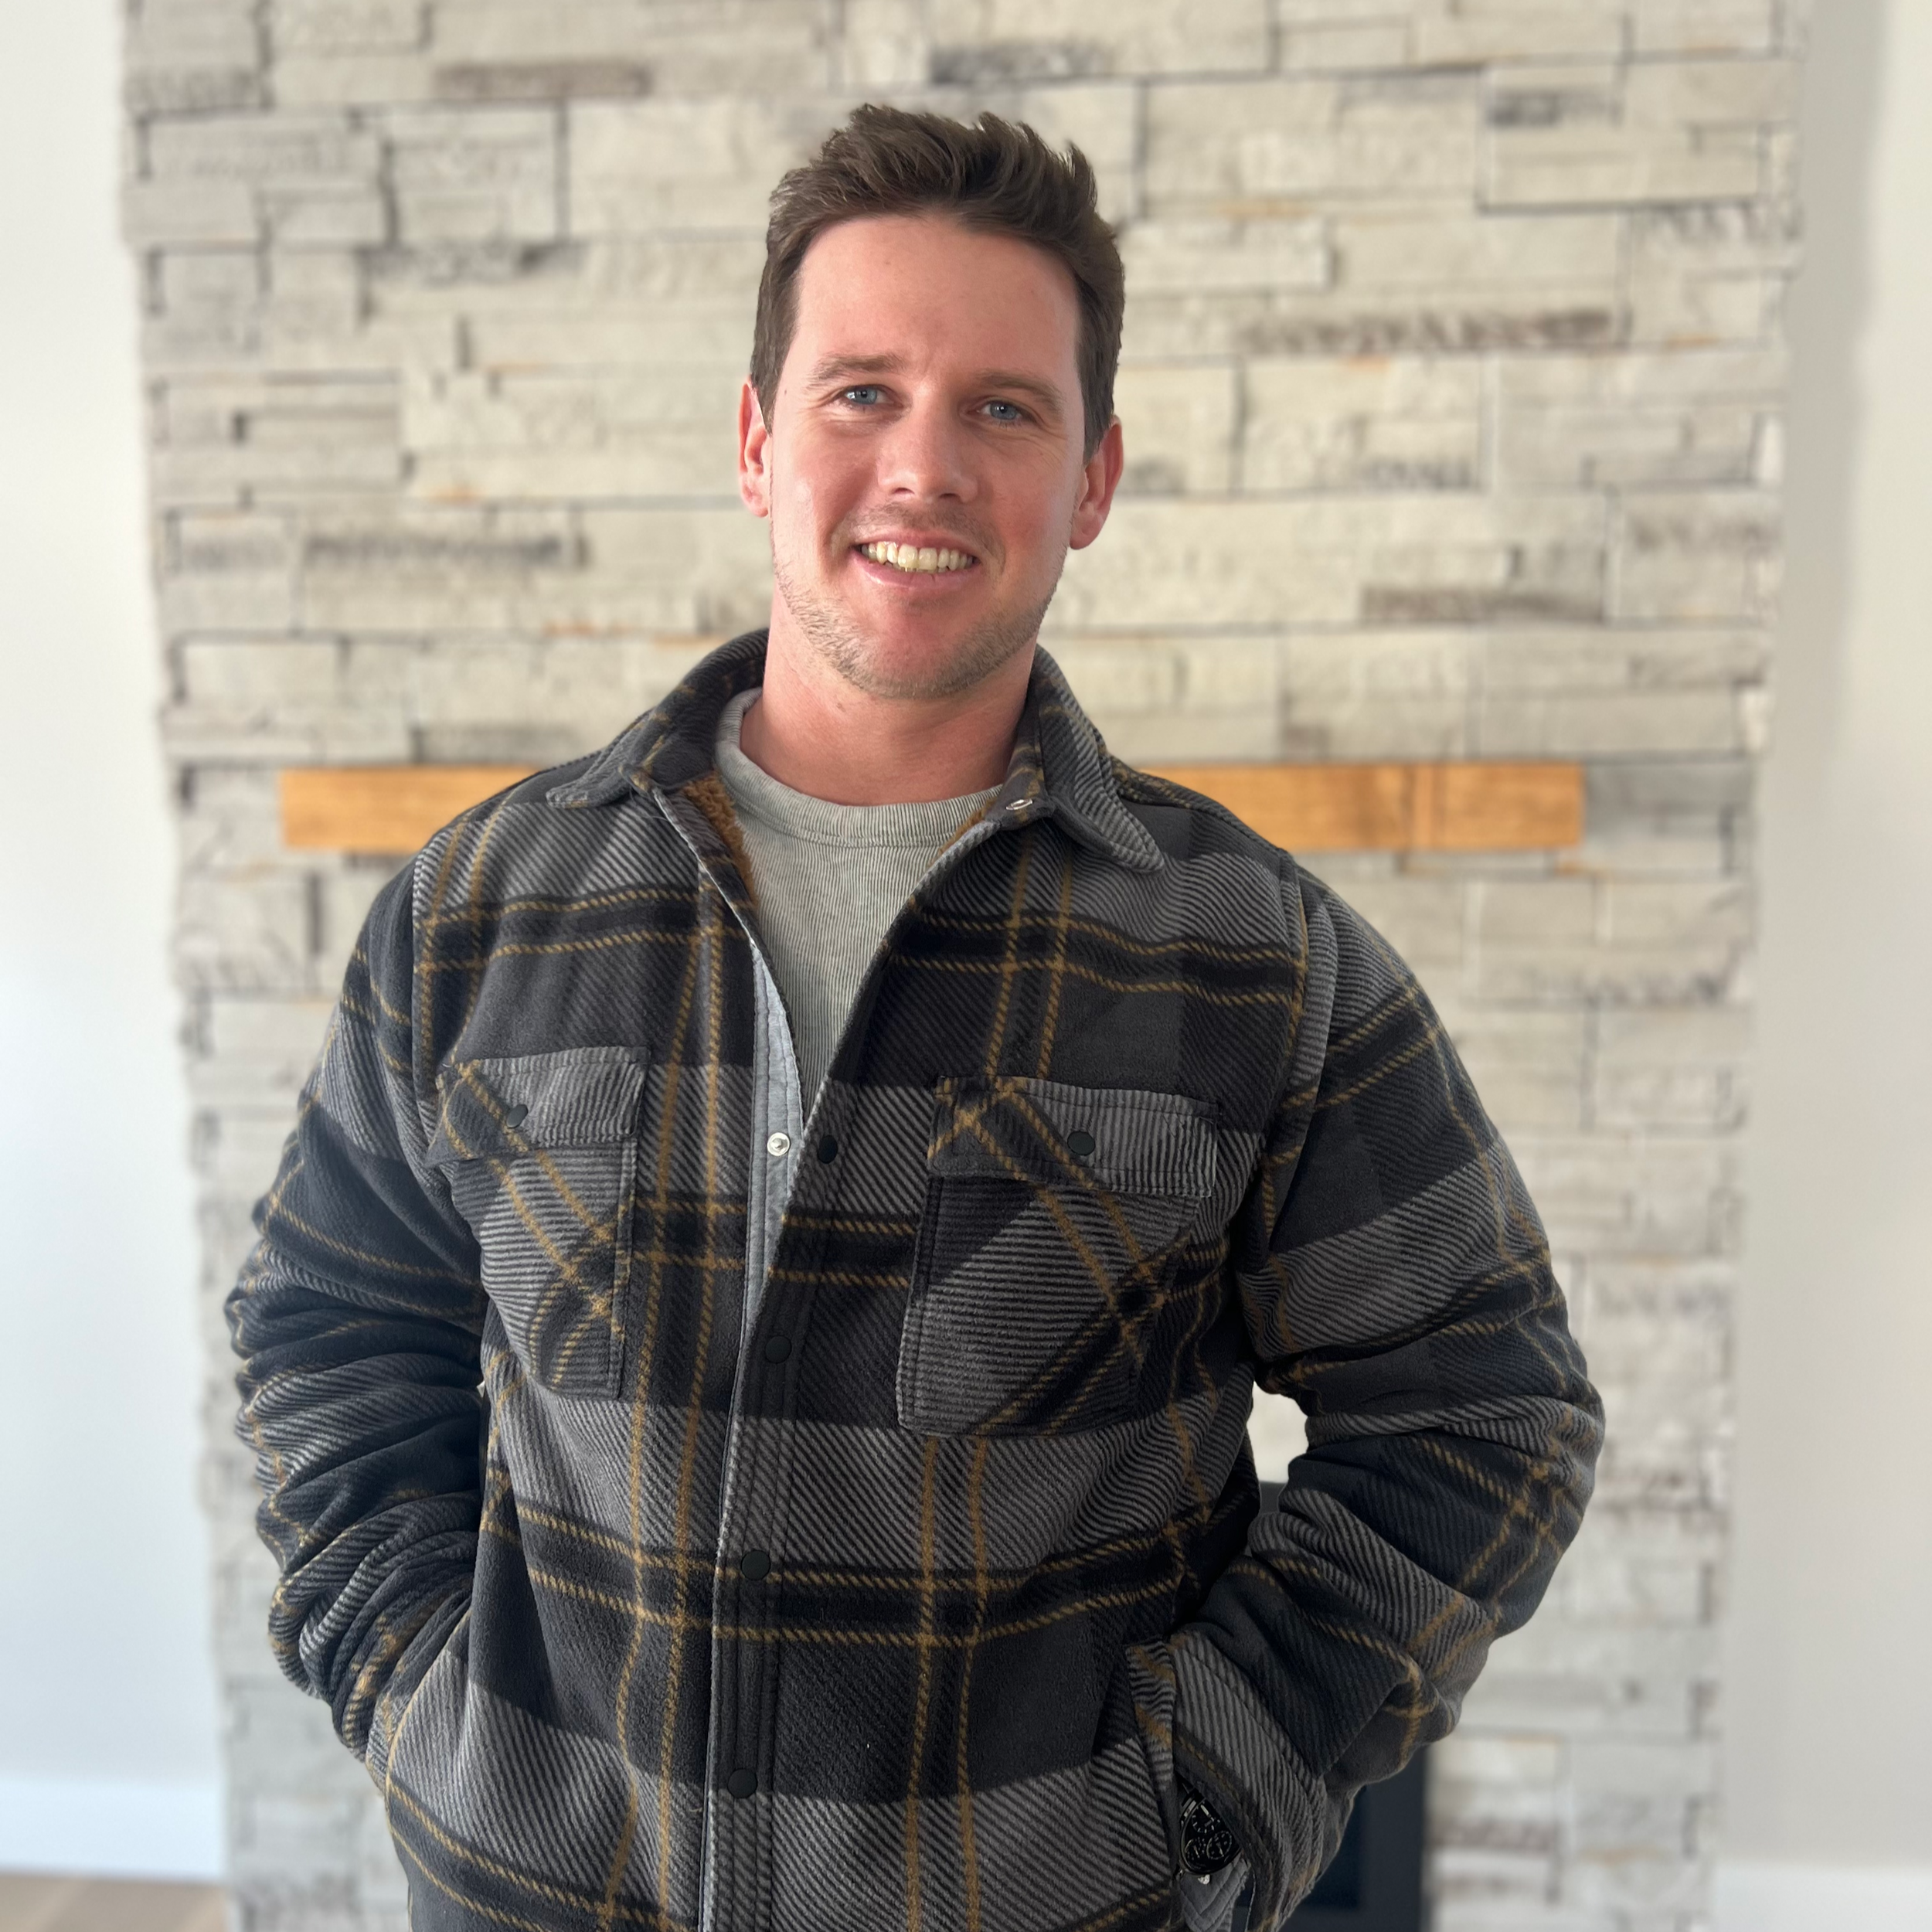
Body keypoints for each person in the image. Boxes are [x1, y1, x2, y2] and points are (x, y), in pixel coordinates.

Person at [228, 105, 1602, 1932]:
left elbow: (1481, 1410)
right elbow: (328, 1323)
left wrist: (1199, 1801)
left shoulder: (1252, 956)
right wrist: (423, 1709)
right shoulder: (480, 908)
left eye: (1001, 408)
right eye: (859, 390)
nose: (921, 464)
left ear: (1092, 479)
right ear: (754, 438)